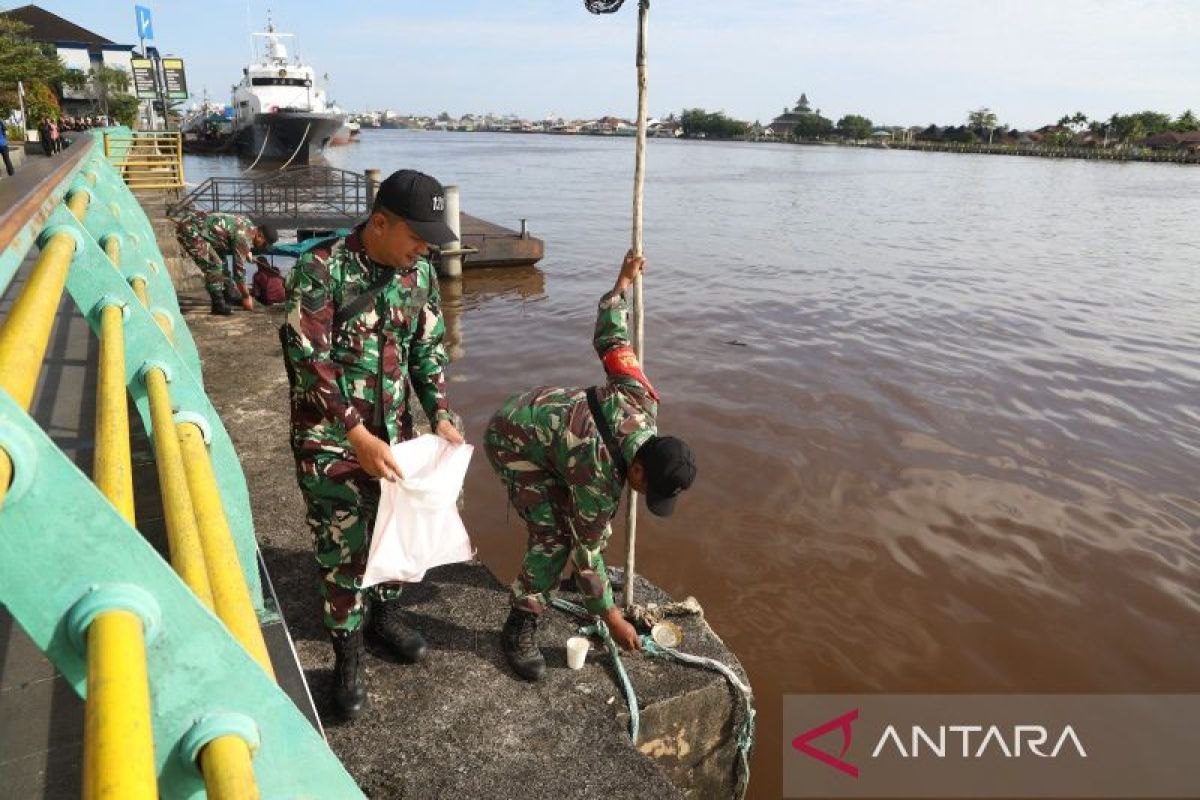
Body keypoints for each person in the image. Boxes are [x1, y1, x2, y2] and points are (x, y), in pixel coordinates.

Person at [281, 168, 463, 718]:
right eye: (416, 237)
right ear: (379, 223)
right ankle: (347, 654)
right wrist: (353, 431)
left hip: (396, 438)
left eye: (431, 241)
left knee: (396, 534)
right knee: (342, 548)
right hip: (330, 440)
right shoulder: (318, 270)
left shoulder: (420, 275)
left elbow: (427, 353)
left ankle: (383, 616)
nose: (424, 248)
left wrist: (442, 417)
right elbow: (307, 360)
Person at [484, 252, 698, 681]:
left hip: (544, 420)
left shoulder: (641, 400)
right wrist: (611, 618)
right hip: (514, 441)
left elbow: (614, 342)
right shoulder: (600, 476)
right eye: (646, 490)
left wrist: (621, 285)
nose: (643, 497)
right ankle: (520, 624)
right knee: (555, 537)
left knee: (587, 529)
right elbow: (585, 552)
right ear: (637, 472)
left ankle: (558, 589)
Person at [174, 210, 277, 315]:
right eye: (264, 244)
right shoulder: (243, 238)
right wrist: (246, 296)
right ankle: (218, 304)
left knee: (222, 263)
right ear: (259, 235)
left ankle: (229, 294)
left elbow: (234, 237)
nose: (262, 247)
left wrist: (247, 252)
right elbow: (239, 272)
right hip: (190, 229)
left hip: (201, 229)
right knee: (214, 264)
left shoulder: (248, 226)